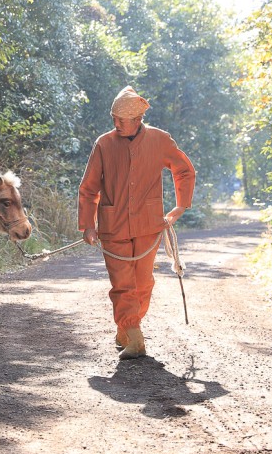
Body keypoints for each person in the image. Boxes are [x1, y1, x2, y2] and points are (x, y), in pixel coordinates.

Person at [78, 86, 196, 359]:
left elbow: (184, 170)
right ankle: (134, 337)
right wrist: (88, 224)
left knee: (143, 284)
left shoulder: (160, 140)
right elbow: (89, 188)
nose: (116, 124)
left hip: (149, 224)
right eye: (113, 118)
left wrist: (180, 206)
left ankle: (127, 327)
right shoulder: (104, 144)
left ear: (138, 119)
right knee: (123, 284)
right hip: (113, 226)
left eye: (122, 120)